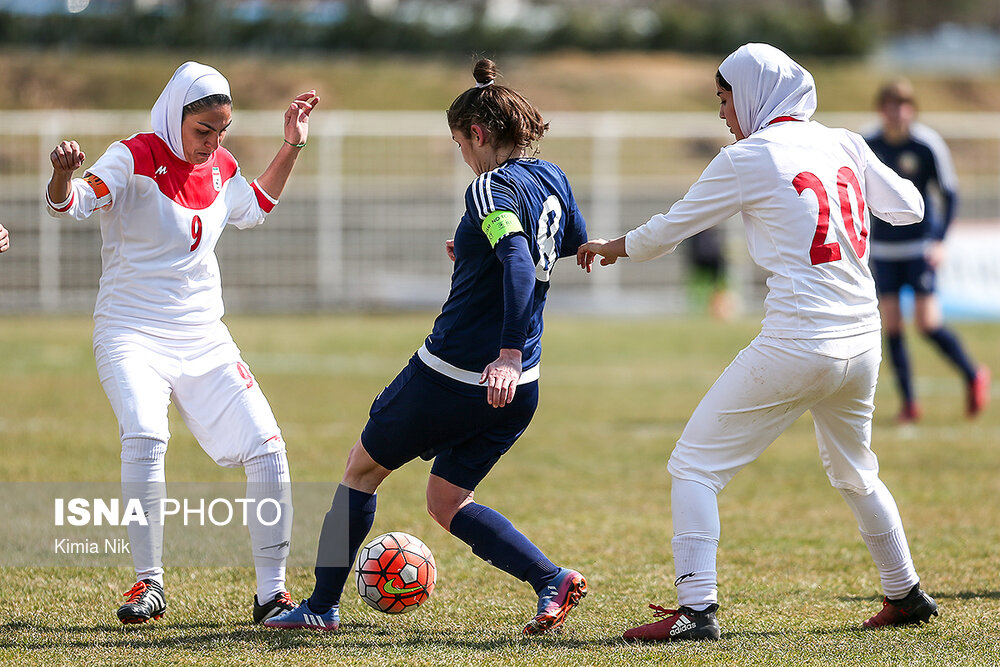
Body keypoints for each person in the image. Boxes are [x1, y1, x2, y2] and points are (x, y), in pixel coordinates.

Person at [578, 43, 938, 641]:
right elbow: (911, 206)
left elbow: (673, 227)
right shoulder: (844, 141)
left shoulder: (749, 156)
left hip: (800, 338)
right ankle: (905, 592)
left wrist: (614, 246)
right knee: (856, 472)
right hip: (861, 340)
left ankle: (696, 611)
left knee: (693, 466)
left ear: (751, 93)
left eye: (724, 99)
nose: (723, 113)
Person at [265, 58, 589, 635]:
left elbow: (517, 259)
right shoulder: (553, 178)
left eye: (460, 143)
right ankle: (551, 579)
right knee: (446, 501)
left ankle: (319, 607)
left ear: (478, 134)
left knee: (361, 470)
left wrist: (506, 351)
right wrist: (474, 252)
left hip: (458, 375)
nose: (462, 155)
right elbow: (566, 244)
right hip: (521, 389)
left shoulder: (489, 186)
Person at [45, 61, 318, 625]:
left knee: (268, 447)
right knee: (145, 434)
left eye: (222, 131)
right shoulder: (132, 156)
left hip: (204, 337)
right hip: (129, 331)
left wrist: (292, 144)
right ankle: (149, 584)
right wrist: (62, 176)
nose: (213, 142)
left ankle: (272, 597)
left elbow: (255, 208)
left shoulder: (222, 166)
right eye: (203, 130)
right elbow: (71, 204)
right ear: (174, 116)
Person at [865, 79, 990, 423]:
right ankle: (909, 404)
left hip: (919, 246)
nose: (897, 112)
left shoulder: (926, 144)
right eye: (891, 105)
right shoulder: (868, 144)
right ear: (882, 109)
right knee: (892, 325)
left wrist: (940, 241)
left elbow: (950, 193)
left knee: (927, 323)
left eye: (903, 105)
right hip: (883, 249)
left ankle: (973, 374)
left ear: (912, 109)